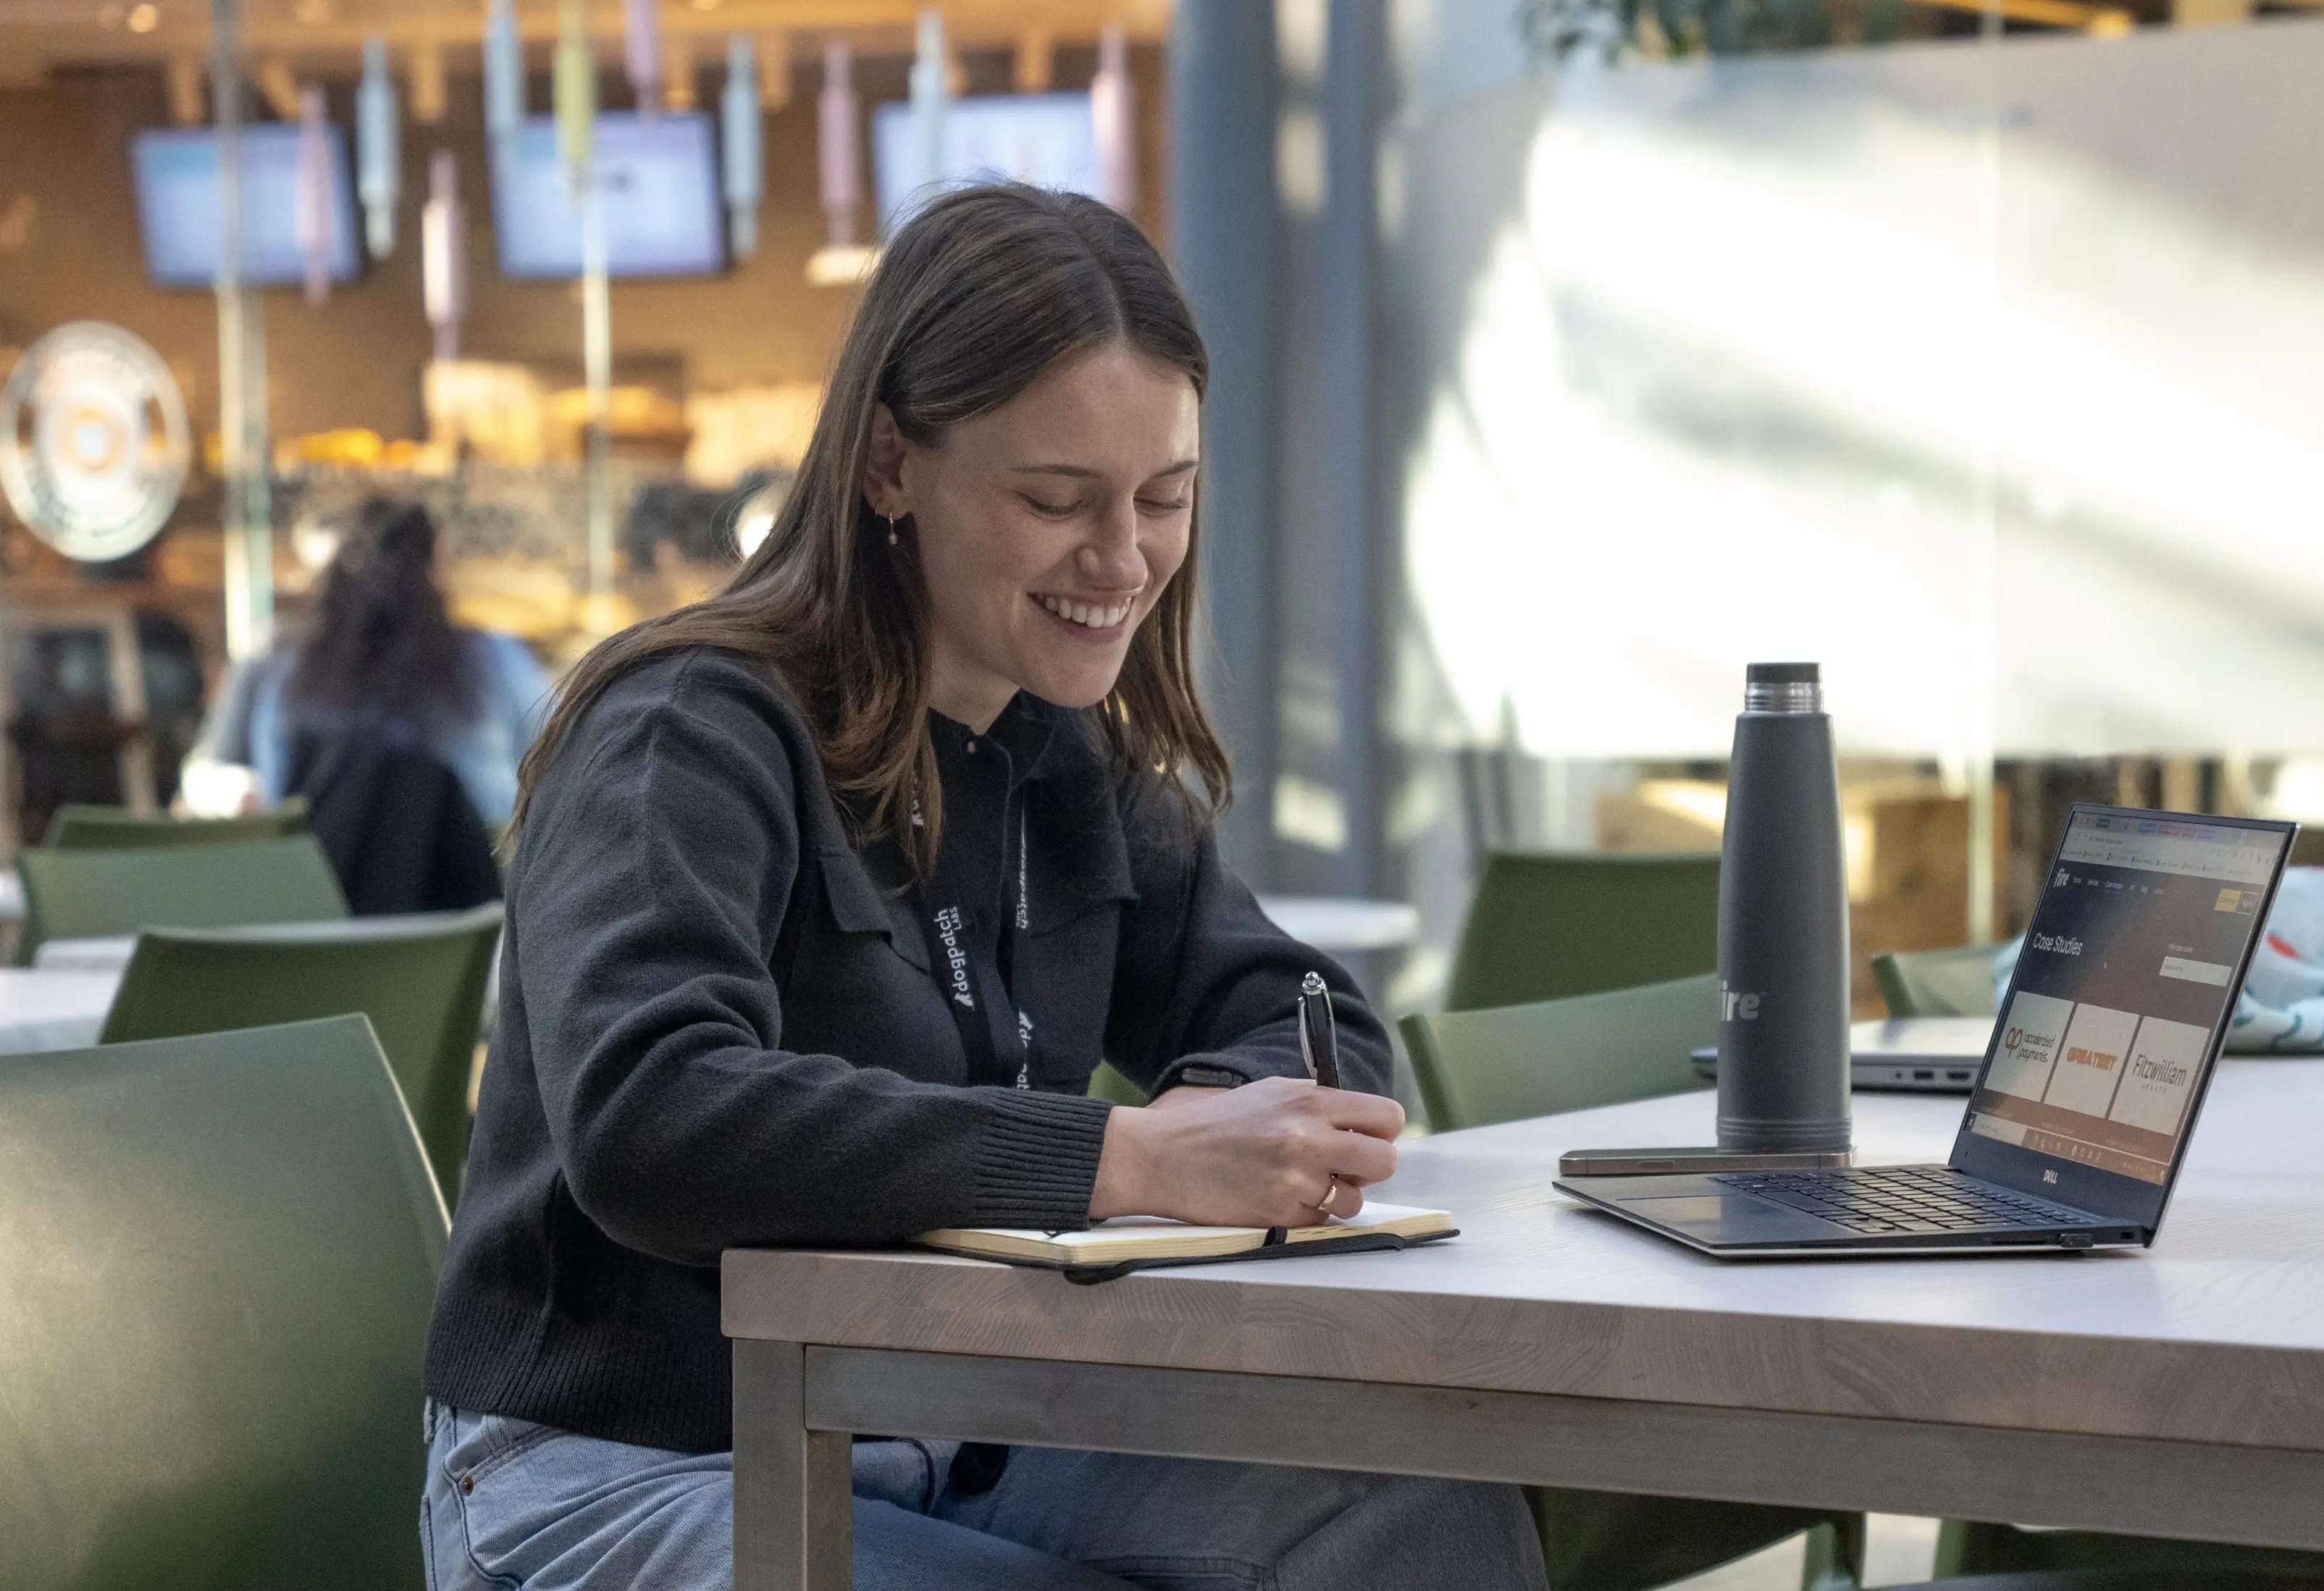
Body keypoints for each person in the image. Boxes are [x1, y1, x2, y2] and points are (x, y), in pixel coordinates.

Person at [416, 185, 1549, 1590]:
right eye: (1055, 499)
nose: (1124, 559)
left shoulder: (1058, 755)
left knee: (1420, 1511)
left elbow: (1305, 1014)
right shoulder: (687, 730)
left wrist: (1234, 1126)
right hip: (612, 1471)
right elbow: (651, 1116)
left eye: (1166, 498)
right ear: (890, 463)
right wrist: (1123, 1163)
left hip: (960, 1428)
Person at [192, 496, 552, 833]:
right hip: (324, 879)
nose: (380, 585)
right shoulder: (276, 658)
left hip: (466, 881)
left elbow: (557, 761)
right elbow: (206, 774)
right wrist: (238, 793)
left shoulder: (488, 657)